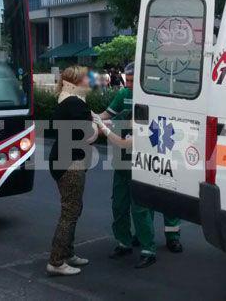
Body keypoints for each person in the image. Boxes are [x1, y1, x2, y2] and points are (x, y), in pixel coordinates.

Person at [99, 63, 183, 268]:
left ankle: (170, 238)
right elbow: (106, 115)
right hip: (125, 157)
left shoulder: (156, 95)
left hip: (152, 154)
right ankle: (126, 241)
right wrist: (89, 116)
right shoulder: (123, 94)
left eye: (131, 81)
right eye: (126, 81)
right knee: (122, 203)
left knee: (163, 200)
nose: (127, 85)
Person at [47, 65, 100, 276]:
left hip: (63, 160)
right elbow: (87, 134)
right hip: (70, 164)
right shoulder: (75, 103)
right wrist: (97, 128)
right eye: (88, 78)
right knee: (70, 212)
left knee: (73, 209)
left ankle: (67, 253)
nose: (91, 81)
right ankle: (56, 261)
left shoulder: (67, 101)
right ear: (77, 82)